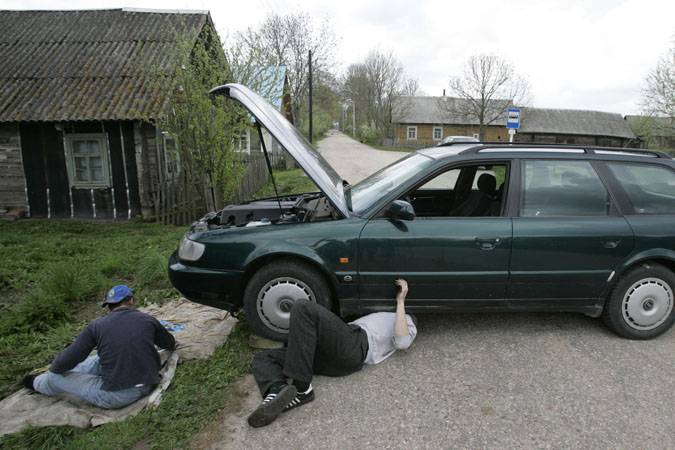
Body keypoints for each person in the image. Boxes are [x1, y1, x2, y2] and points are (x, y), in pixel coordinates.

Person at [248, 278, 417, 428]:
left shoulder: (405, 320)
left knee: (302, 307)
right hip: (333, 359)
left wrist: (401, 302)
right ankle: (277, 389)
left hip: (355, 344)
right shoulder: (379, 314)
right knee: (263, 358)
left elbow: (402, 342)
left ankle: (302, 387)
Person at [22, 285, 176, 409]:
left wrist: (55, 368)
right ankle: (52, 378)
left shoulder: (96, 326)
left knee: (55, 375)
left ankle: (34, 382)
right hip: (149, 382)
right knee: (98, 359)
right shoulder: (146, 319)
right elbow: (169, 343)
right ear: (130, 301)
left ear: (109, 306)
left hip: (117, 396)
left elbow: (68, 360)